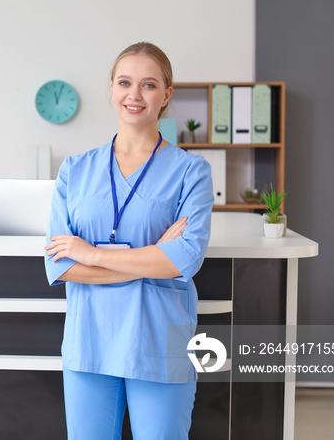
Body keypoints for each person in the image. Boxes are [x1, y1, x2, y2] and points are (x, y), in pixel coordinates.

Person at [44, 42, 214, 439]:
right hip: (90, 342)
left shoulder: (191, 171)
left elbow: (184, 259)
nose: (134, 95)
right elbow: (61, 265)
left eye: (149, 85)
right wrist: (152, 256)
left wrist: (93, 254)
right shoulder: (75, 170)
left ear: (166, 95)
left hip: (159, 340)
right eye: (125, 82)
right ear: (111, 88)